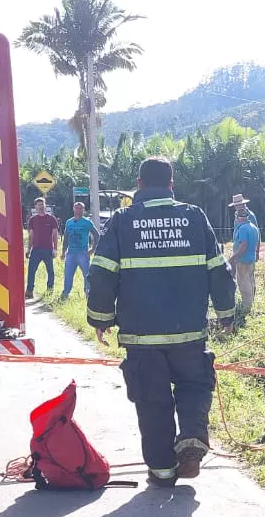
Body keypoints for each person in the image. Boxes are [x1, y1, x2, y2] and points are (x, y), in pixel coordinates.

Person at [87, 157, 236, 486]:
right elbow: (219, 270)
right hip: (189, 335)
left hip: (143, 339)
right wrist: (227, 314)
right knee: (195, 386)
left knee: (152, 402)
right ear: (171, 185)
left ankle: (163, 471)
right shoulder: (194, 218)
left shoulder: (123, 221)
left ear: (138, 185)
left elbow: (100, 274)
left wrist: (101, 318)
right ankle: (193, 438)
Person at [230, 201, 260, 317]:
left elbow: (243, 245)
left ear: (239, 218)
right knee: (250, 280)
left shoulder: (242, 229)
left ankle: (246, 307)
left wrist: (233, 258)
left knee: (243, 283)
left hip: (242, 259)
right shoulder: (253, 227)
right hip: (250, 258)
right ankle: (250, 303)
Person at [61, 201, 96, 298]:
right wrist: (63, 252)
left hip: (83, 253)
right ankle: (65, 293)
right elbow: (66, 238)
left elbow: (97, 235)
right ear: (73, 209)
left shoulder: (87, 222)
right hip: (71, 253)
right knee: (68, 274)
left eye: (80, 208)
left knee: (86, 274)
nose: (78, 210)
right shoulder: (69, 222)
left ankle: (88, 293)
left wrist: (92, 249)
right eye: (76, 208)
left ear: (83, 210)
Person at [26, 198, 58, 298]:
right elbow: (31, 235)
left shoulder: (51, 219)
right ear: (35, 207)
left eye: (42, 204)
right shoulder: (32, 219)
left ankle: (50, 290)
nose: (41, 206)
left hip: (48, 249)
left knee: (50, 271)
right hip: (36, 249)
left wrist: (55, 249)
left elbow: (55, 234)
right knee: (31, 270)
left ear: (45, 205)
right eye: (38, 205)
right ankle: (29, 291)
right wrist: (28, 249)